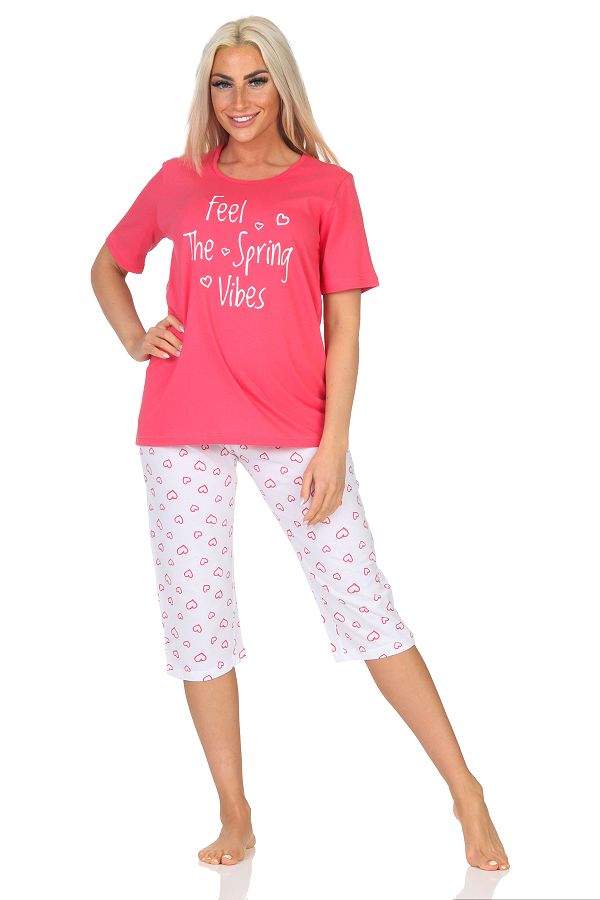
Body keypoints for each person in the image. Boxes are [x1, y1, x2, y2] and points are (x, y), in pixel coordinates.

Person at [90, 14, 509, 874]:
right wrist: (135, 337)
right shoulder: (179, 179)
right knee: (198, 621)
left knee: (366, 606)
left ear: (280, 85)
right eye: (222, 82)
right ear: (207, 91)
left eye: (255, 80)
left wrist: (333, 443)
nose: (238, 99)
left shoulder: (327, 188)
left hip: (294, 432)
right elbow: (107, 264)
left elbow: (344, 329)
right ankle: (235, 813)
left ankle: (467, 792)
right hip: (180, 429)